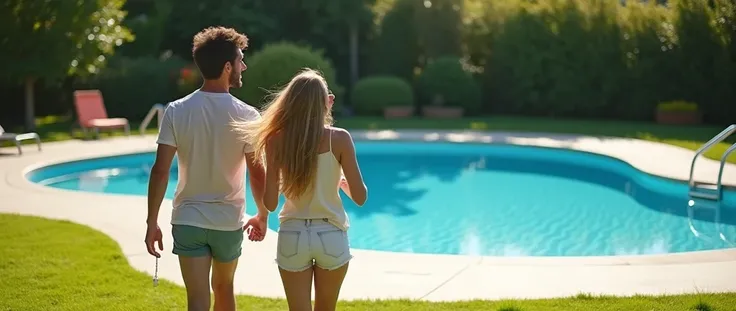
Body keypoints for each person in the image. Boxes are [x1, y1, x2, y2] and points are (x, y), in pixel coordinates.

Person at [144, 26, 269, 311]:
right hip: (227, 222)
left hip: (188, 220)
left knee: (197, 300)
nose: (244, 66)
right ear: (227, 67)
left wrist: (152, 222)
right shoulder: (247, 115)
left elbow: (160, 171)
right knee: (224, 290)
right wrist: (262, 214)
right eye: (240, 60)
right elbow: (257, 173)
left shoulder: (176, 110)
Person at [233, 69, 368, 311]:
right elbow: (361, 198)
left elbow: (271, 204)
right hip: (331, 232)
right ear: (323, 103)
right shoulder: (339, 139)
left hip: (293, 234)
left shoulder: (276, 140)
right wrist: (340, 183)